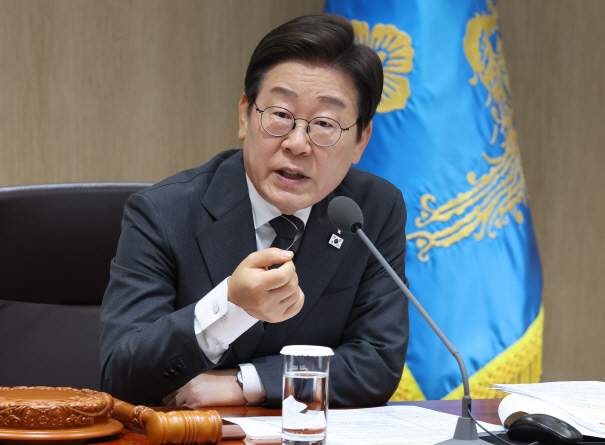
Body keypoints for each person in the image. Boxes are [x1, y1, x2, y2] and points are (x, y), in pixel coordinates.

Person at [100, 13, 409, 408]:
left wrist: (246, 382)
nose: (297, 143)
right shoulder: (163, 213)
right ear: (245, 115)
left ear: (361, 140)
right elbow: (121, 374)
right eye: (280, 115)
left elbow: (378, 362)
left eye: (325, 124)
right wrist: (230, 305)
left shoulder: (372, 210)